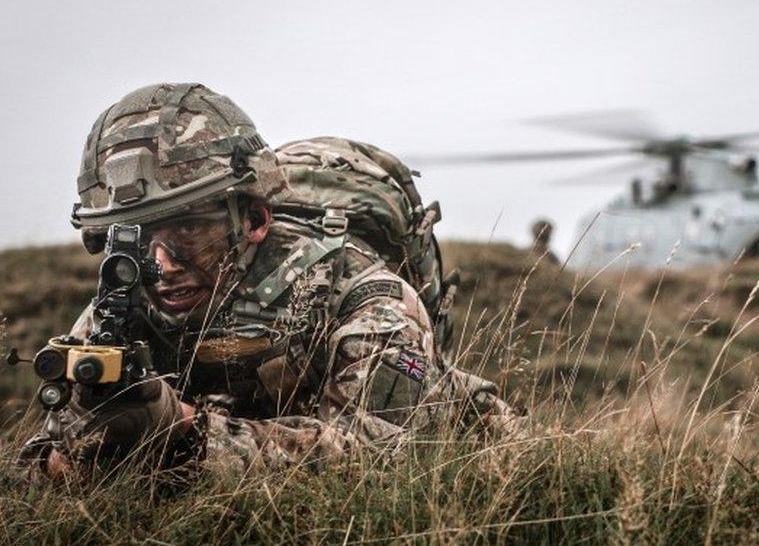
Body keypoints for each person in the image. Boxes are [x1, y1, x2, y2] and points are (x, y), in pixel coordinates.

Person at [19, 83, 521, 479]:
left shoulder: (360, 293)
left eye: (189, 230)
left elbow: (390, 455)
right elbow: (41, 460)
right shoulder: (121, 308)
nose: (162, 263)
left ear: (255, 220)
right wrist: (83, 453)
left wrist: (184, 437)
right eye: (131, 240)